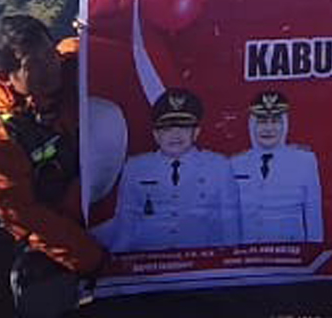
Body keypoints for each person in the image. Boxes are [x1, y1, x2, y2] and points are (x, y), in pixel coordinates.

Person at [0, 15, 104, 318]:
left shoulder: (74, 66)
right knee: (39, 301)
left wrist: (97, 27)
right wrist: (87, 256)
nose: (51, 67)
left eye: (50, 54)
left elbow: (89, 44)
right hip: (64, 230)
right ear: (4, 76)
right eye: (35, 64)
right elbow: (20, 213)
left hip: (111, 205)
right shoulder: (2, 136)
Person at [95, 88, 239, 252]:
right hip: (150, 260)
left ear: (196, 132)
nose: (175, 135)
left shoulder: (218, 166)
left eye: (183, 128)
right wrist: (117, 260)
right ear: (156, 134)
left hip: (202, 259)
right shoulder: (135, 167)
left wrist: (230, 258)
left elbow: (229, 223)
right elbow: (126, 222)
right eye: (167, 128)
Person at [231, 89, 325, 243]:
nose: (268, 128)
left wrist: (314, 250)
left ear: (285, 125)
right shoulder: (236, 164)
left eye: (275, 121)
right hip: (247, 251)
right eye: (262, 122)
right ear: (252, 125)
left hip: (290, 251)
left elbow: (313, 211)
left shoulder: (304, 161)